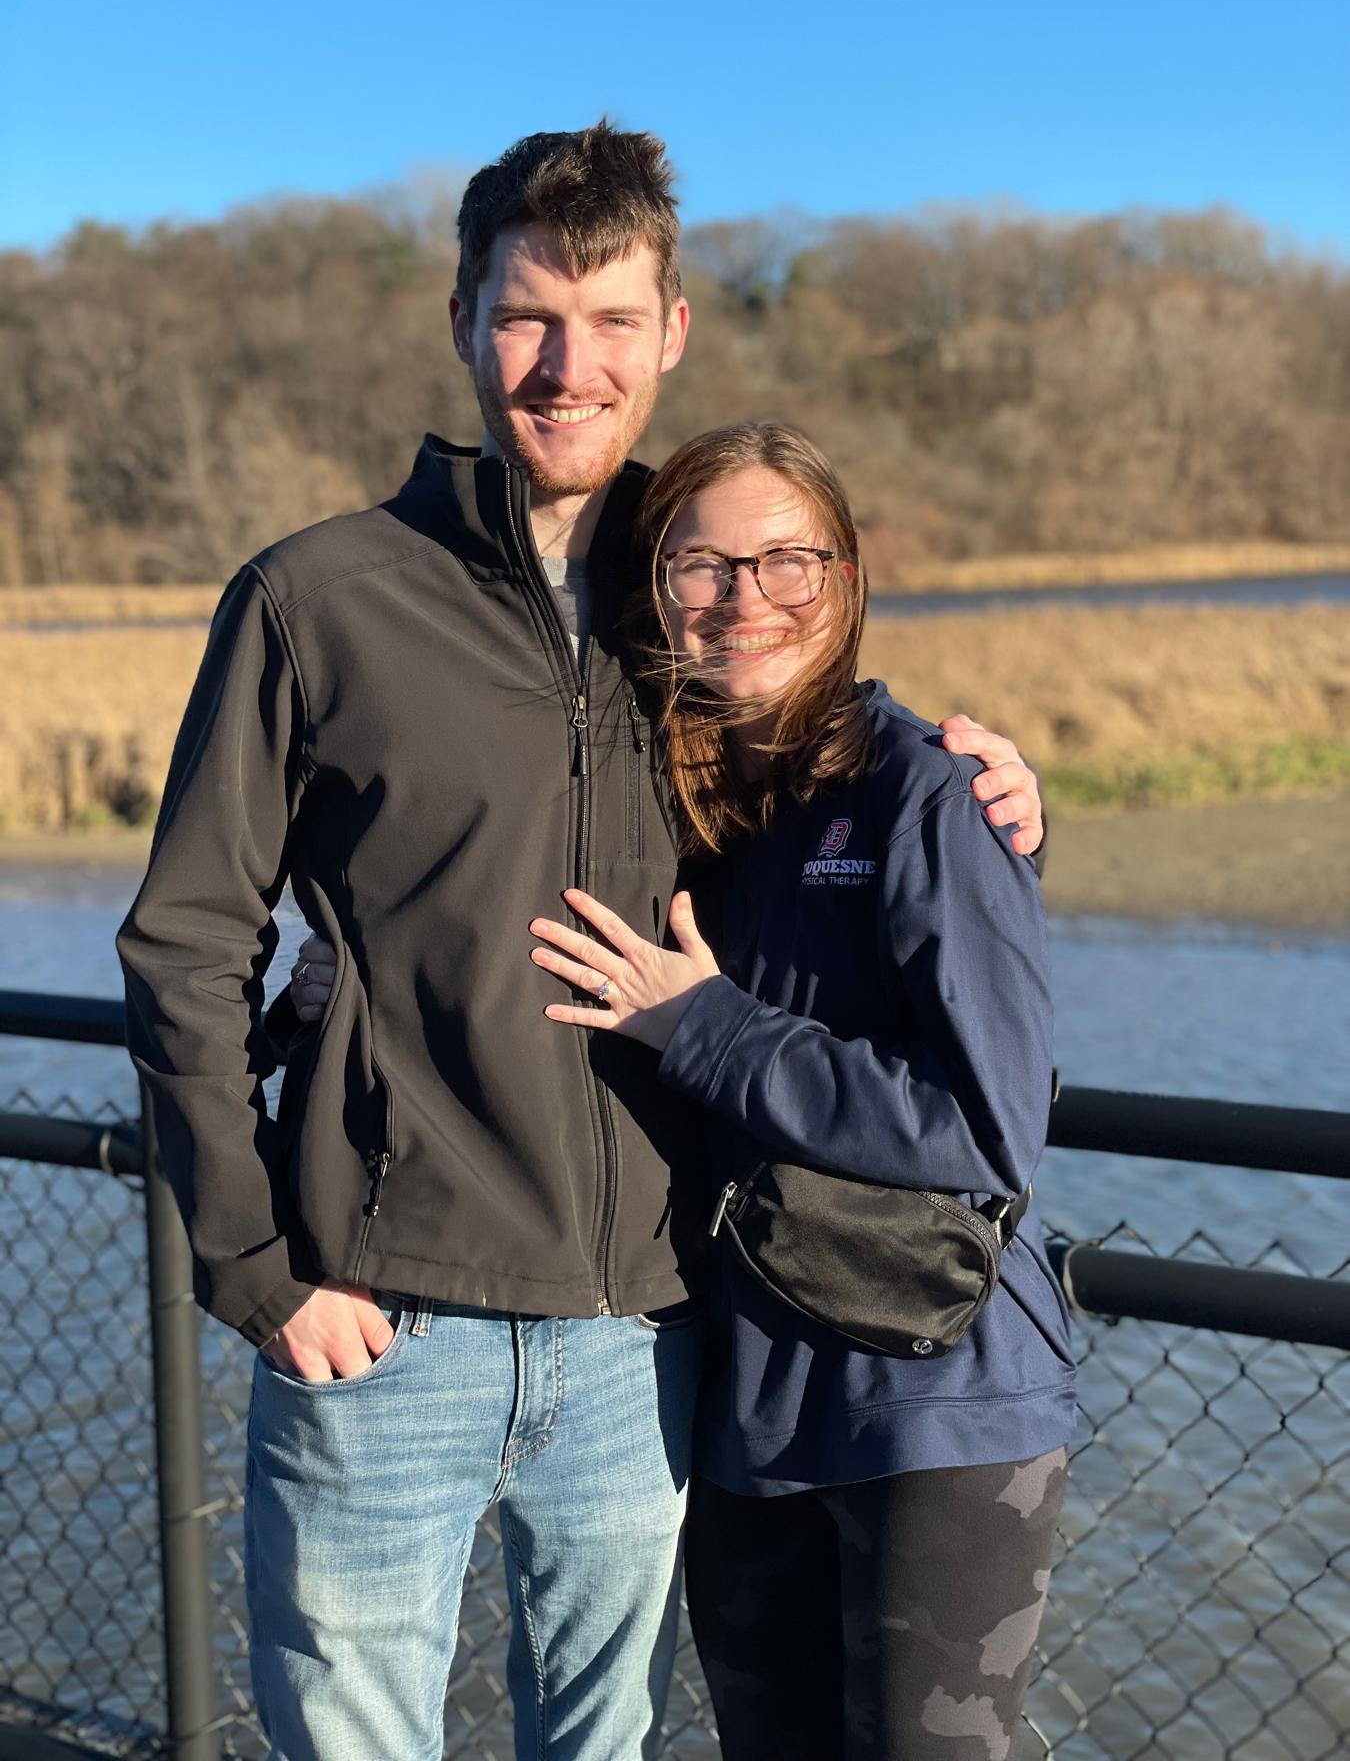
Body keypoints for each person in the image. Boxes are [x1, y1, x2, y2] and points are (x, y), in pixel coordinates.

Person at [118, 123, 1049, 1761]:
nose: (568, 366)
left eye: (612, 319)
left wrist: (991, 801)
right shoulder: (316, 599)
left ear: (670, 331)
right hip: (376, 1323)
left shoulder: (694, 594)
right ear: (464, 321)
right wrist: (255, 1265)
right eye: (526, 317)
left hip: (650, 1337)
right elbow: (187, 944)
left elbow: (840, 769)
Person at [519, 422, 1076, 1759]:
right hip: (741, 1407)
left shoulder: (926, 791)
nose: (744, 599)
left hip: (932, 1402)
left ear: (846, 577)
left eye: (786, 560)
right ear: (655, 593)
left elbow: (985, 1126)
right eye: (701, 566)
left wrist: (703, 1025)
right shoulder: (671, 804)